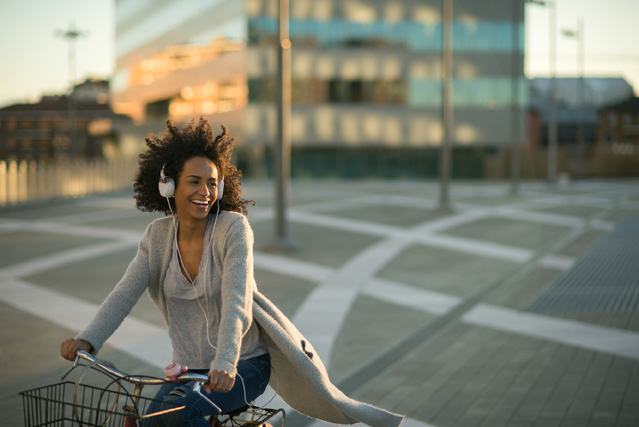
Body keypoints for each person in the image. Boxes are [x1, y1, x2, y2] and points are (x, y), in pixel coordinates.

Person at [61, 118, 404, 427]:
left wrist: (225, 362)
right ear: (169, 186)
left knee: (182, 415)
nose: (205, 192)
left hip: (243, 367)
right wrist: (89, 339)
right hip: (188, 370)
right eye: (194, 182)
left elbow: (237, 301)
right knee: (151, 422)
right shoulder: (157, 236)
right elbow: (124, 294)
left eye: (212, 183)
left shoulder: (232, 228)